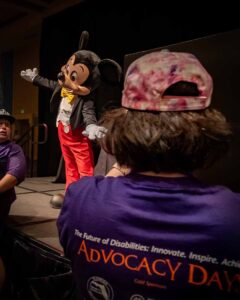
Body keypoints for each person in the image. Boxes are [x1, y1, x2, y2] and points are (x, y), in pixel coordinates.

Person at [57, 51, 240, 299]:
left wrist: (124, 157)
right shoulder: (232, 216)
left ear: (123, 122)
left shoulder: (80, 199)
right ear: (207, 128)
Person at [20, 31, 121, 208]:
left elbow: (89, 113)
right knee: (69, 165)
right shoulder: (63, 89)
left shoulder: (85, 98)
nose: (66, 75)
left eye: (73, 74)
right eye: (68, 68)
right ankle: (71, 192)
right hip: (62, 132)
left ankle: (88, 196)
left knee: (84, 166)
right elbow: (50, 83)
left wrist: (91, 126)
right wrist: (35, 78)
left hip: (77, 135)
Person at [0, 109, 27, 292]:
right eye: (0, 123)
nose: (3, 127)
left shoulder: (14, 149)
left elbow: (14, 175)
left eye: (7, 125)